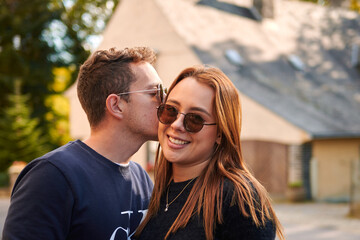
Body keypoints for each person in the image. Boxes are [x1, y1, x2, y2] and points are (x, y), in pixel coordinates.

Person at [3, 47, 166, 240]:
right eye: (155, 92)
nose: (165, 102)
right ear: (116, 105)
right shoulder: (52, 176)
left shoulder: (142, 179)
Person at [135, 65, 285, 240]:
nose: (176, 125)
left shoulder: (238, 199)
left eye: (195, 119)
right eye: (171, 110)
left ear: (220, 133)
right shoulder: (159, 192)